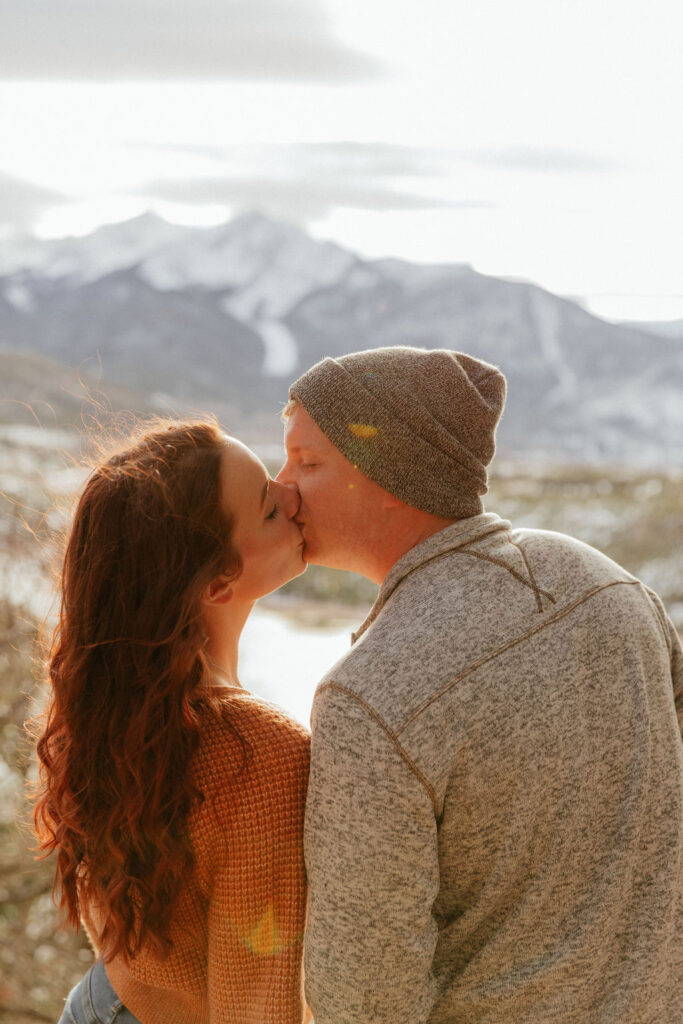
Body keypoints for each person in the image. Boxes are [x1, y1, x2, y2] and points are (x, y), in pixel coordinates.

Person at [277, 346, 683, 1024]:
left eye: (307, 461)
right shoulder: (602, 580)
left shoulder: (370, 694)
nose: (282, 486)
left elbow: (364, 1000)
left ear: (389, 471)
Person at [32, 419, 311, 1024]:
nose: (293, 497)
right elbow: (255, 1007)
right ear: (216, 582)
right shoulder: (261, 756)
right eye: (268, 508)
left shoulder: (120, 708)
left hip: (97, 1004)